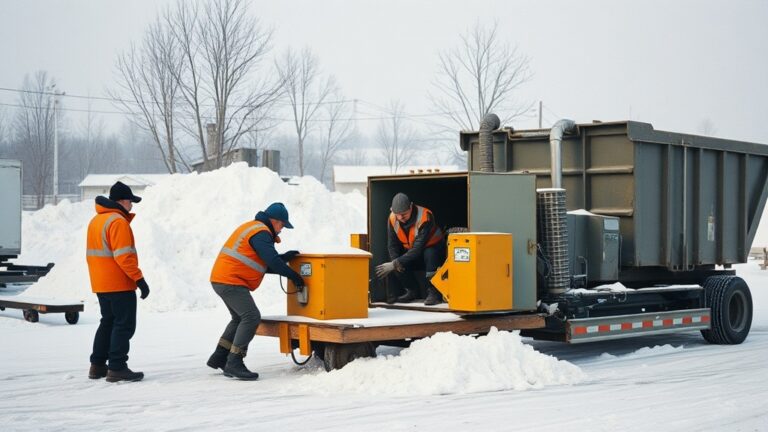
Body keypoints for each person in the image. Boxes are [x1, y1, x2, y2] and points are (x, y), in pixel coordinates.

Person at [207, 202, 304, 380]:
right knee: (251, 317)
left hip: (223, 279)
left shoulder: (253, 228)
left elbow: (264, 263)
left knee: (239, 318)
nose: (281, 230)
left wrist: (284, 258)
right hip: (231, 281)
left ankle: (220, 357)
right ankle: (234, 362)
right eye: (282, 226)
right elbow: (271, 261)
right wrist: (295, 277)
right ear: (275, 221)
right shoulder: (261, 233)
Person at [86, 181, 150, 383]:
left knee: (107, 322)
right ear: (122, 201)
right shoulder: (118, 222)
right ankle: (117, 367)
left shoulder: (97, 220)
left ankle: (97, 365)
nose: (132, 205)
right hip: (119, 283)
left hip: (101, 283)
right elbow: (124, 256)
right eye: (131, 201)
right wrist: (139, 279)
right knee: (124, 325)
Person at [375, 193, 446, 306]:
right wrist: (395, 262)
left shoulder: (425, 217)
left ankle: (434, 292)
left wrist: (395, 263)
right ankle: (412, 290)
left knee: (430, 254)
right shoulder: (392, 218)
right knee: (396, 259)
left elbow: (417, 249)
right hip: (413, 252)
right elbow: (392, 245)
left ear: (411, 206)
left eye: (404, 214)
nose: (401, 217)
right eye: (398, 214)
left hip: (433, 249)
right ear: (392, 210)